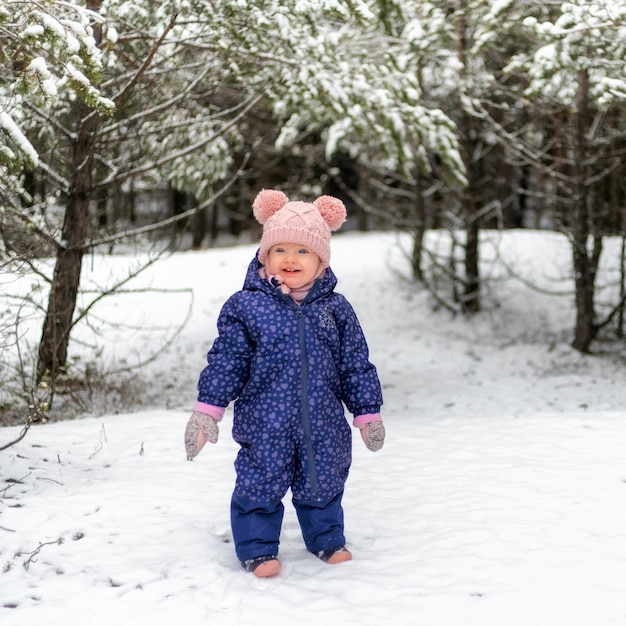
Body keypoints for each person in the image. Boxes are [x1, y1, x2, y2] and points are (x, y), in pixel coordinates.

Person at [184, 188, 385, 578]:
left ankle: (326, 539)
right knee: (259, 483)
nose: (290, 258)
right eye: (280, 250)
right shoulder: (247, 307)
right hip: (265, 423)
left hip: (324, 424)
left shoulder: (335, 309)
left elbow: (355, 364)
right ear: (265, 255)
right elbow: (228, 360)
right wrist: (208, 410)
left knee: (323, 482)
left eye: (303, 251)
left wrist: (367, 413)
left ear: (321, 261)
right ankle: (257, 549)